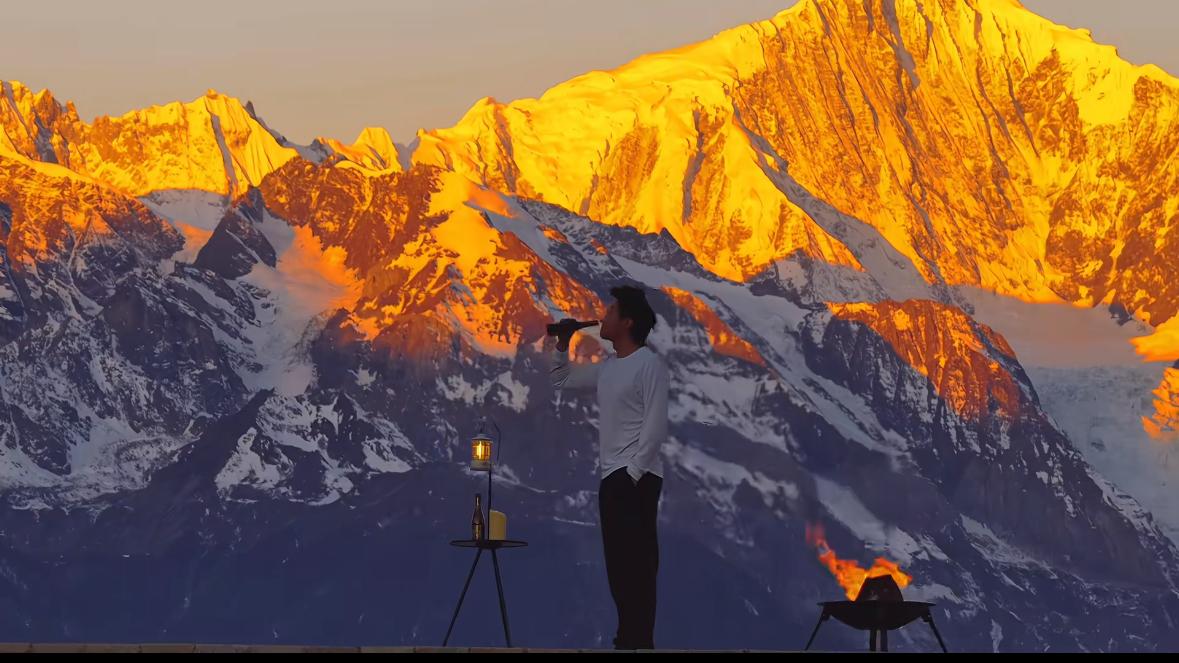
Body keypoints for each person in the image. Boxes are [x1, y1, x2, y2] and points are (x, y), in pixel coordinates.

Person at [548, 285, 669, 650]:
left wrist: (632, 473)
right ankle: (627, 637)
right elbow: (561, 379)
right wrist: (562, 343)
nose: (604, 315)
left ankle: (639, 640)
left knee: (639, 563)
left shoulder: (649, 365)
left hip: (637, 477)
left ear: (627, 322)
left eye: (612, 310)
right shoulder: (609, 368)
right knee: (618, 564)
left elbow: (655, 427)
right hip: (613, 477)